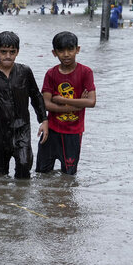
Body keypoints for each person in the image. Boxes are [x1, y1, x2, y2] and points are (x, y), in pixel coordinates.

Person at [0, 31, 48, 179]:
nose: (7, 56)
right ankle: (2, 200)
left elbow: (36, 96)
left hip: (22, 128)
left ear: (17, 52)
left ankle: (20, 199)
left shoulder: (25, 72)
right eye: (3, 52)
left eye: (12, 52)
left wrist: (44, 120)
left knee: (24, 165)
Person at [37, 31, 96, 176]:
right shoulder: (51, 74)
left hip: (73, 132)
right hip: (51, 131)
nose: (66, 54)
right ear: (54, 53)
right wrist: (79, 104)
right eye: (61, 50)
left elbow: (92, 102)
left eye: (70, 49)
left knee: (69, 176)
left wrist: (63, 100)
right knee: (41, 173)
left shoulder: (85, 72)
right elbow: (46, 104)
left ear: (78, 49)